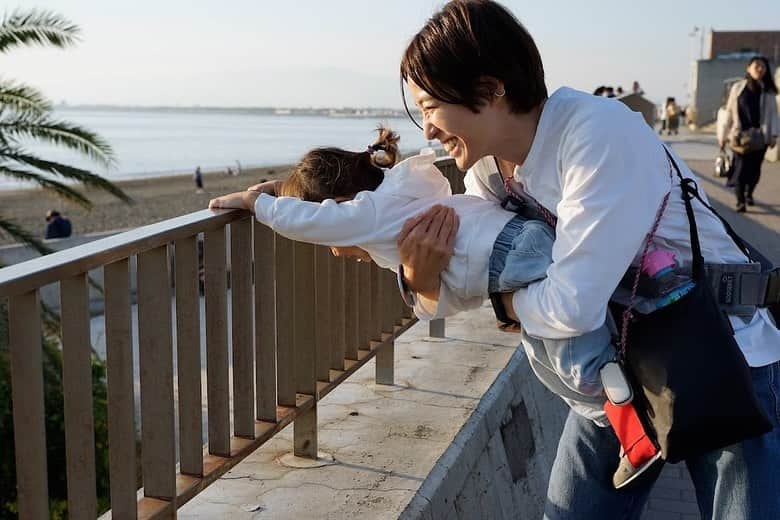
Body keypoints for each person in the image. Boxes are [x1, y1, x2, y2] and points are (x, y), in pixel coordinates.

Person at [393, 1, 779, 518]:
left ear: (489, 89)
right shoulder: (488, 171)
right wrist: (420, 278)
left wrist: (505, 304)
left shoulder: (596, 133)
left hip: (719, 348)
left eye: (430, 108)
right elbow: (467, 284)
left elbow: (570, 306)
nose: (426, 131)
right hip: (616, 366)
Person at [209, 125, 672, 487]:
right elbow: (426, 296)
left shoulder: (371, 214)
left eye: (332, 235)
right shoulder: (398, 193)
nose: (332, 248)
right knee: (550, 351)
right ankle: (644, 281)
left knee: (575, 360)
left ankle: (632, 430)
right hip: (516, 242)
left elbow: (312, 220)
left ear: (340, 206)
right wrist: (281, 190)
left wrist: (256, 204)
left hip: (508, 257)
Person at [717, 55, 779, 213]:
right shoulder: (738, 88)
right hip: (739, 137)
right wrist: (722, 135)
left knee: (755, 170)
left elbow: (773, 115)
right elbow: (729, 112)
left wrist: (774, 135)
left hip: (761, 137)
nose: (760, 69)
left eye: (763, 67)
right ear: (748, 68)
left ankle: (749, 193)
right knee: (740, 168)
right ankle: (740, 201)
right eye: (756, 66)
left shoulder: (769, 91)